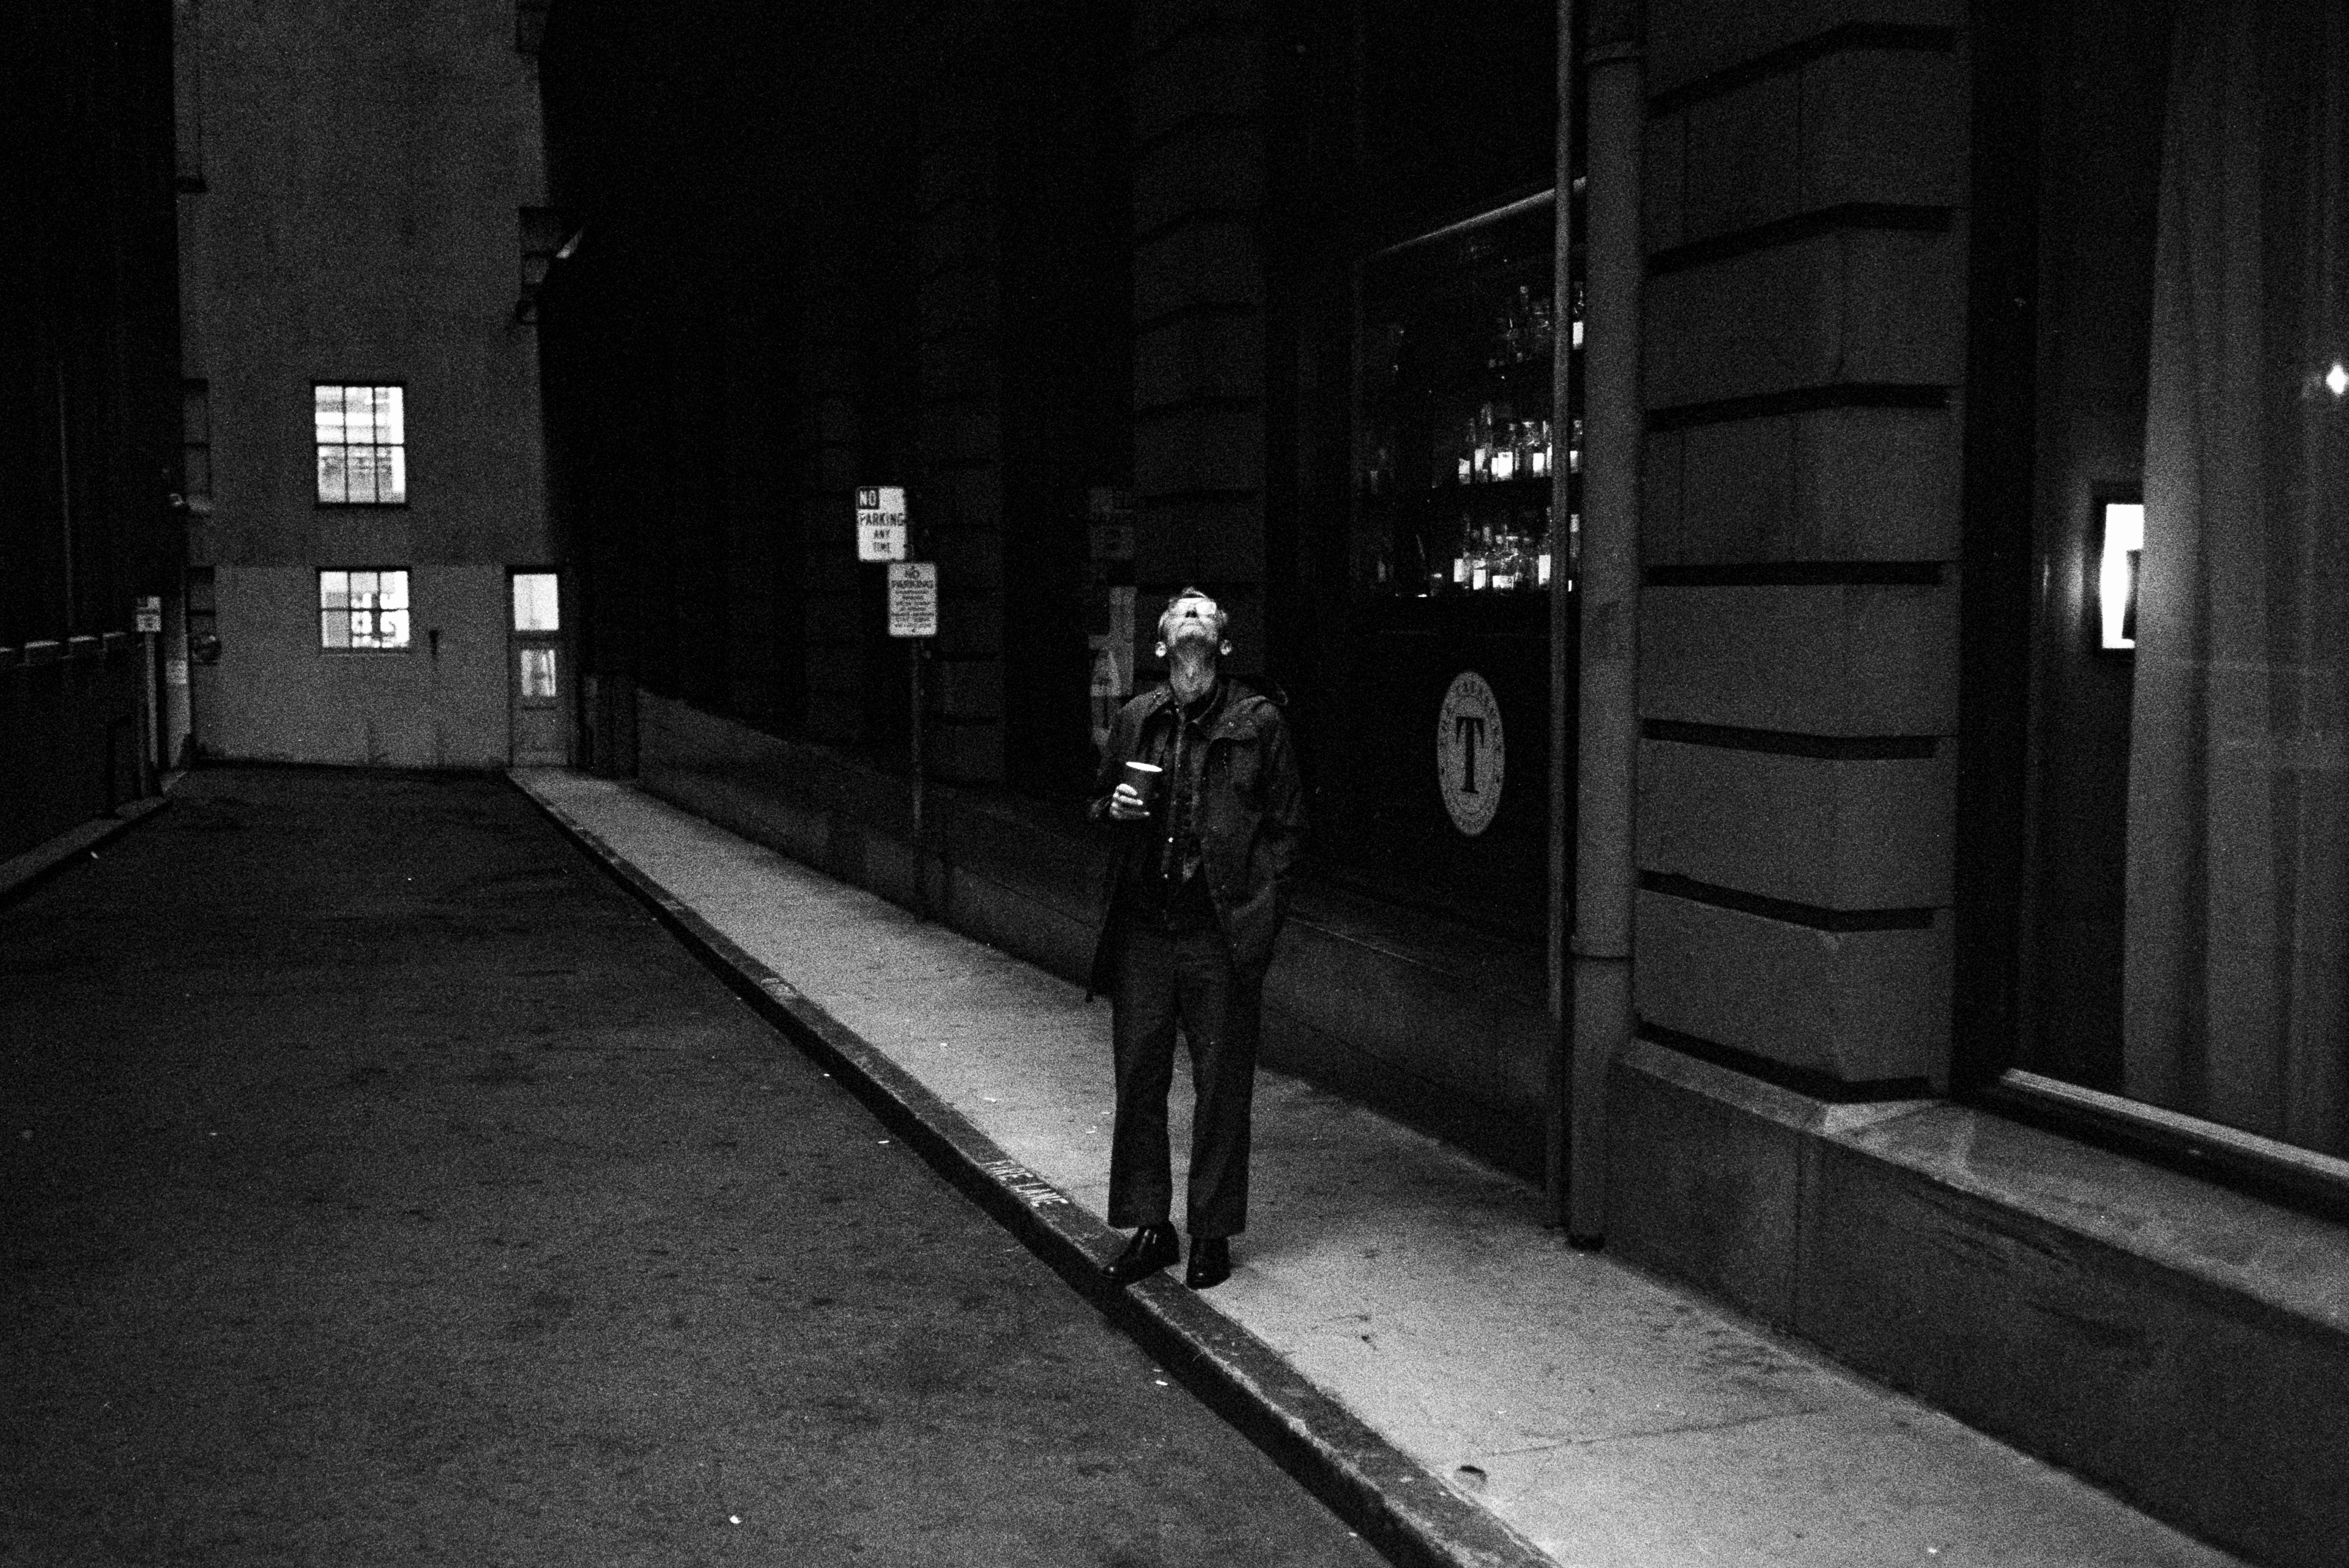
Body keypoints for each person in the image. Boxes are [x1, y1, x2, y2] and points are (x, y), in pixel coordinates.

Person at [1087, 587, 1305, 1290]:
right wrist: (1114, 807)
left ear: (1223, 642)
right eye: (1180, 612)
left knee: (1222, 1087)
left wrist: (1261, 915)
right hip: (1148, 930)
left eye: (1204, 611)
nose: (1191, 615)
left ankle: (1211, 1232)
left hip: (1221, 932)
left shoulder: (1259, 722)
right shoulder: (1134, 720)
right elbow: (1097, 805)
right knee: (1140, 1078)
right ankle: (1152, 1226)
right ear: (1160, 645)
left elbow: (1289, 829)